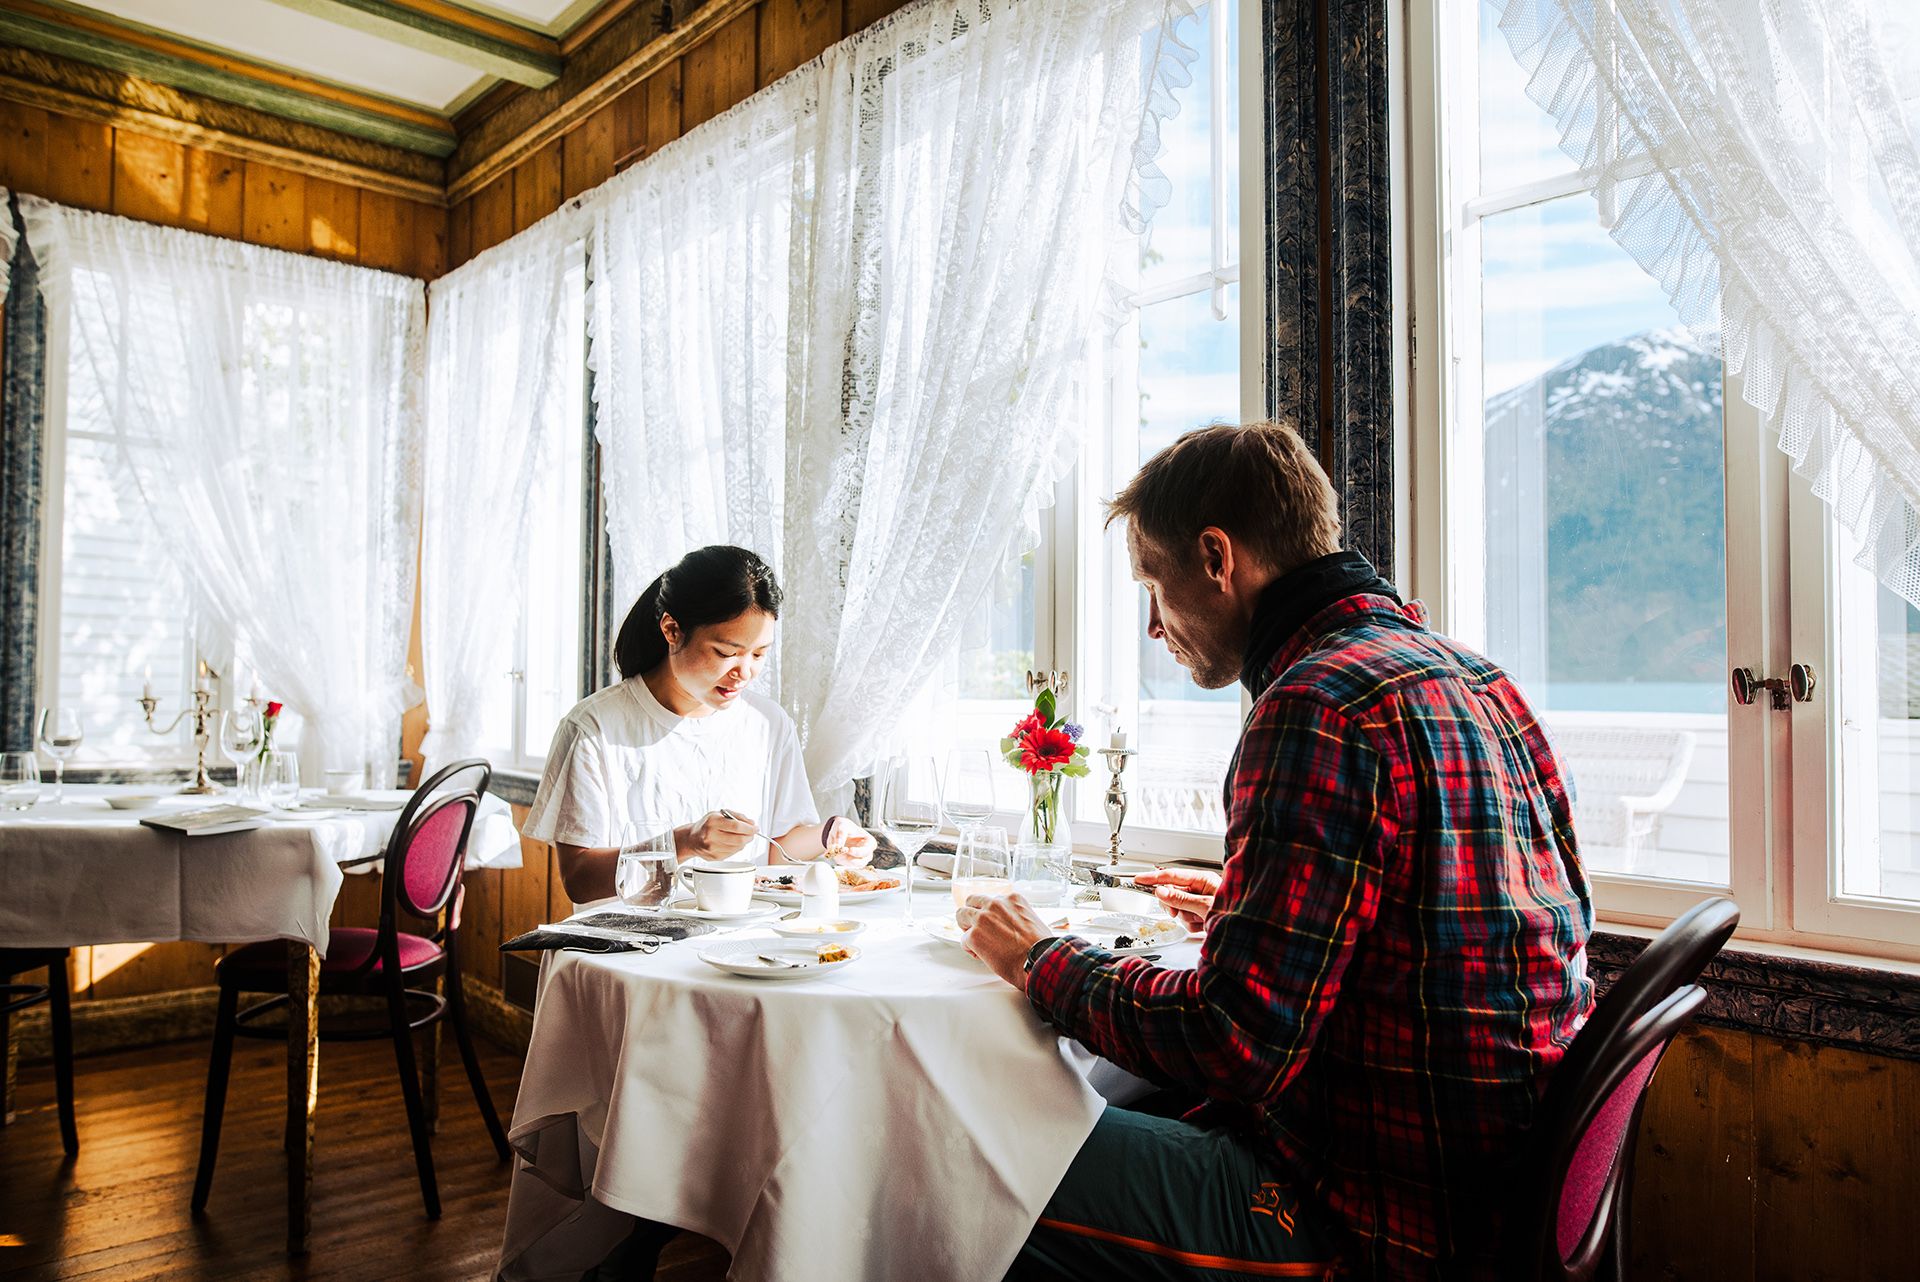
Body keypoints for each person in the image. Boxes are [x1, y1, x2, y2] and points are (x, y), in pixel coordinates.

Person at [957, 422, 1595, 1280]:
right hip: (1489, 1189)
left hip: (1362, 1219)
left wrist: (1037, 957)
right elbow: (1492, 917)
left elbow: (1233, 1046)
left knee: (959, 1138)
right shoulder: (1476, 677)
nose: (1154, 626)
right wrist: (1244, 905)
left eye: (1155, 583)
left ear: (1217, 558)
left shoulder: (1314, 706)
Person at [524, 544, 871, 906]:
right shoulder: (595, 728)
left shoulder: (768, 724)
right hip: (630, 944)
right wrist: (685, 842)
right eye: (726, 653)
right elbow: (579, 880)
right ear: (672, 630)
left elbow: (775, 850)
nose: (745, 672)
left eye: (758, 654)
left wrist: (830, 835)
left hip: (739, 939)